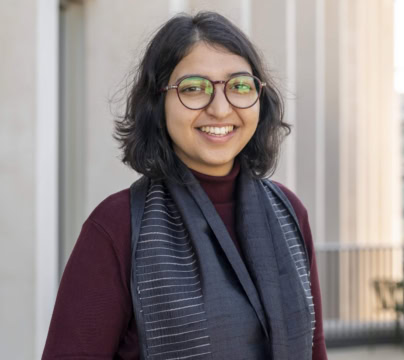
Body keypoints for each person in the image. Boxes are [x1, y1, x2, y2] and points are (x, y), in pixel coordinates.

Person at [43, 11, 328, 360]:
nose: (221, 110)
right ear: (158, 101)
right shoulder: (116, 227)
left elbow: (315, 351)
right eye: (194, 88)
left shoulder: (289, 214)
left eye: (239, 85)